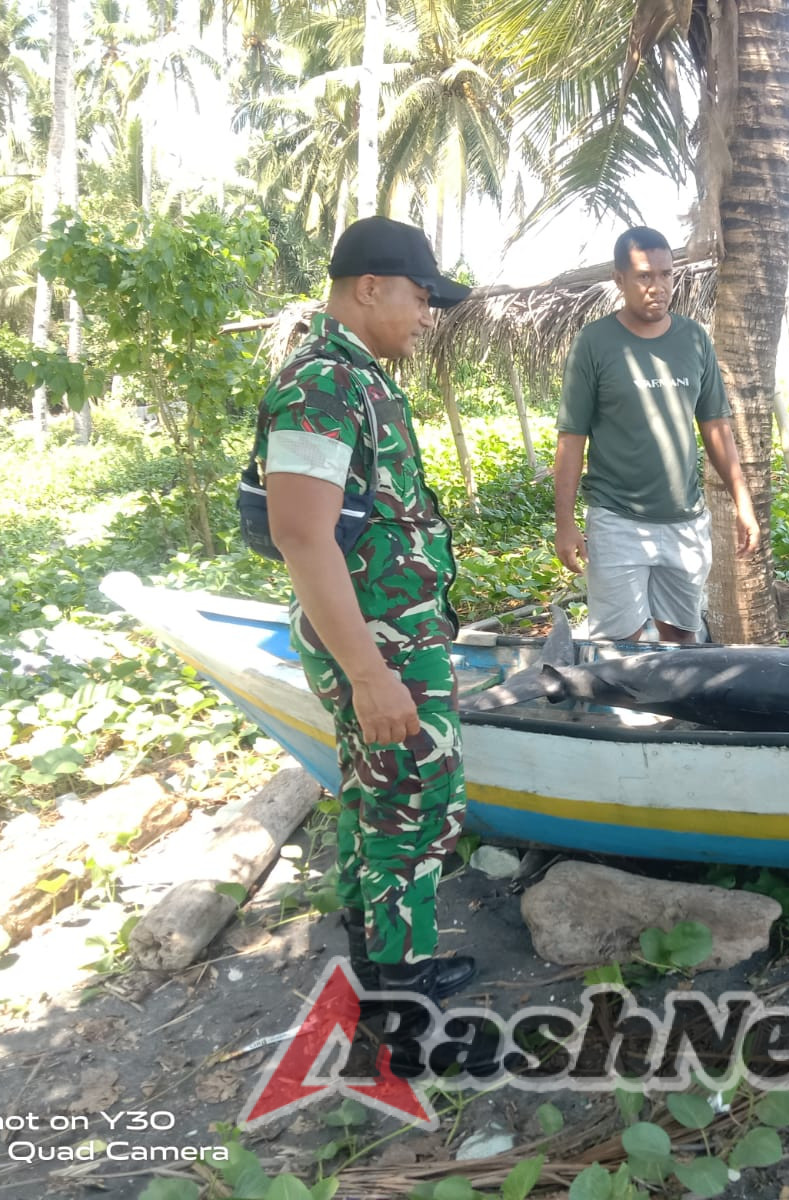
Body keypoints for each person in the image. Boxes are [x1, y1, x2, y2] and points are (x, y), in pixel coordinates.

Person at [255, 215, 476, 1003]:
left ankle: (377, 967)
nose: (428, 315)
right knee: (413, 808)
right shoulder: (321, 382)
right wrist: (371, 674)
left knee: (375, 800)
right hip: (379, 646)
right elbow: (300, 533)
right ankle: (407, 1009)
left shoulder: (357, 377)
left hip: (388, 636)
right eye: (422, 296)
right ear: (371, 287)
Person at [552, 226, 760, 642]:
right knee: (618, 644)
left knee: (681, 637)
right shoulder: (594, 343)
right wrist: (565, 523)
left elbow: (716, 426)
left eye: (666, 274)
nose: (658, 286)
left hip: (685, 521)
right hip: (617, 520)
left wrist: (743, 503)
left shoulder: (694, 339)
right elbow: (571, 439)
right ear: (619, 279)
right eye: (644, 276)